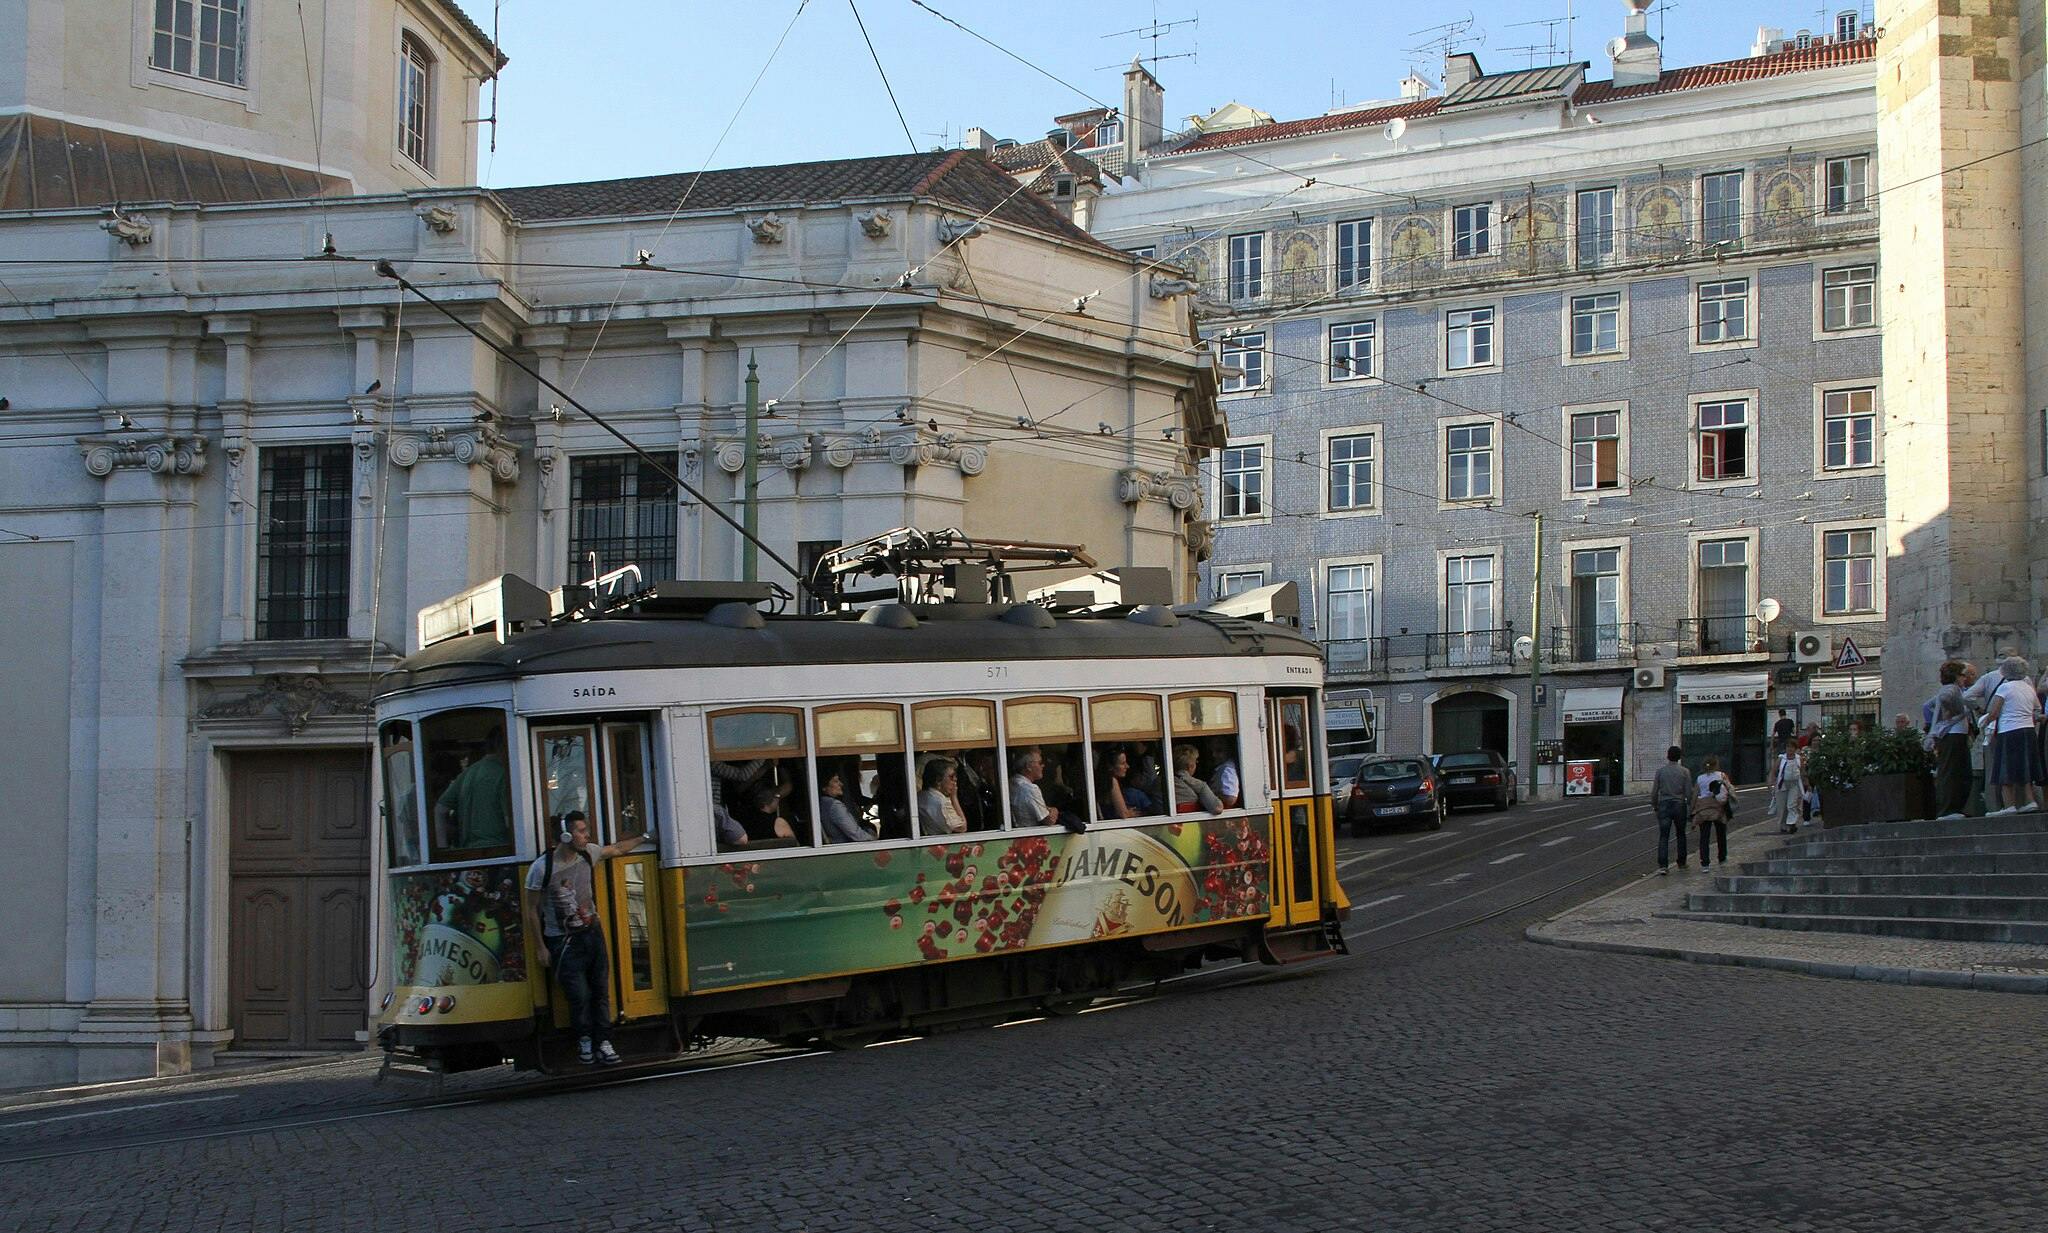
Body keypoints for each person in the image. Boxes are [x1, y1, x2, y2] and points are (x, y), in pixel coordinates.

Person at [523, 810, 649, 1066]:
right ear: (565, 834)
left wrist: (646, 837)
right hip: (563, 941)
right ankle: (584, 1041)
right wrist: (540, 947)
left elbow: (616, 850)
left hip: (592, 934)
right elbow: (531, 909)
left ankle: (603, 1040)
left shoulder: (587, 853)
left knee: (600, 991)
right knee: (579, 996)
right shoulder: (541, 868)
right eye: (581, 831)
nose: (586, 835)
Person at [434, 726, 511, 850]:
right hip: (500, 851)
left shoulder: (468, 772)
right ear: (504, 745)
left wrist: (443, 849)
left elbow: (439, 810)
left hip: (468, 853)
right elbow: (510, 822)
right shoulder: (504, 774)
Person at [1983, 656, 2043, 815]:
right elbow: (2037, 709)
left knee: (2005, 767)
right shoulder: (2028, 688)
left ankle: (2009, 805)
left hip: (2009, 731)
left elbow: (1994, 711)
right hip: (2028, 731)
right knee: (2025, 765)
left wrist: (1985, 721)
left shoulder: (2005, 688)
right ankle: (2030, 801)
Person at [1930, 659, 1975, 821]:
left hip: (1957, 735)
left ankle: (1954, 807)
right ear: (1956, 676)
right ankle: (1947, 809)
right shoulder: (1952, 690)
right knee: (1952, 772)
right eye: (1963, 675)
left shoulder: (1956, 690)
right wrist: (1954, 711)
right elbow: (1941, 701)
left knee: (1960, 772)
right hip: (1952, 735)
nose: (1965, 679)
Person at [1651, 746, 1692, 875]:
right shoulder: (1685, 772)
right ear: (1679, 757)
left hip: (1664, 804)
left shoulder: (1660, 772)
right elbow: (1688, 792)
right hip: (1679, 804)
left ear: (1668, 756)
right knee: (1681, 834)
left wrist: (1655, 806)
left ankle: (1663, 865)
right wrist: (1690, 807)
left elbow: (1654, 792)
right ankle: (1682, 862)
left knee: (1664, 836)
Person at [818, 765, 874, 843]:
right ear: (824, 787)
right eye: (836, 781)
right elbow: (857, 835)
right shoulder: (834, 806)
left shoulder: (822, 803)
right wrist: (875, 839)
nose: (841, 784)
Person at [917, 758, 968, 837]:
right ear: (938, 780)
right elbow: (962, 827)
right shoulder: (942, 802)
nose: (955, 780)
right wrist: (954, 798)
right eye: (951, 777)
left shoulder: (919, 796)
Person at [1691, 779, 1733, 871]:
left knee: (1704, 837)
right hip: (1719, 808)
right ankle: (1722, 858)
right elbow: (1730, 790)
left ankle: (1705, 863)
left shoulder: (1700, 778)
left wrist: (1692, 809)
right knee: (1721, 834)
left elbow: (1694, 795)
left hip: (1703, 808)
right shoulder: (1721, 775)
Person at [1172, 743, 1224, 814]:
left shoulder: (1159, 783)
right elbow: (1217, 808)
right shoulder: (1200, 786)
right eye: (1196, 761)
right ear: (1190, 766)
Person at [1772, 742, 1807, 834]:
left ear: (1795, 749)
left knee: (1792, 804)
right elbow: (1774, 770)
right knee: (1782, 806)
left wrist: (1806, 783)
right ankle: (1783, 824)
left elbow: (1803, 772)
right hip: (1782, 784)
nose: (1790, 749)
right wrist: (1771, 781)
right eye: (1788, 747)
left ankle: (1791, 824)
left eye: (1792, 747)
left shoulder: (1799, 759)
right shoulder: (1781, 758)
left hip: (1794, 784)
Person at [1097, 749, 1138, 820]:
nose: (1127, 766)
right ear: (1110, 767)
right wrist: (1131, 813)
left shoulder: (1103, 781)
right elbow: (1123, 814)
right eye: (1122, 763)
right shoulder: (1111, 781)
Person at [1207, 740, 1242, 809]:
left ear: (1229, 751)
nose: (1213, 755)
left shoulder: (1227, 769)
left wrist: (1210, 794)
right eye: (1211, 751)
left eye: (1219, 751)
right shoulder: (1222, 768)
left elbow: (1230, 799)